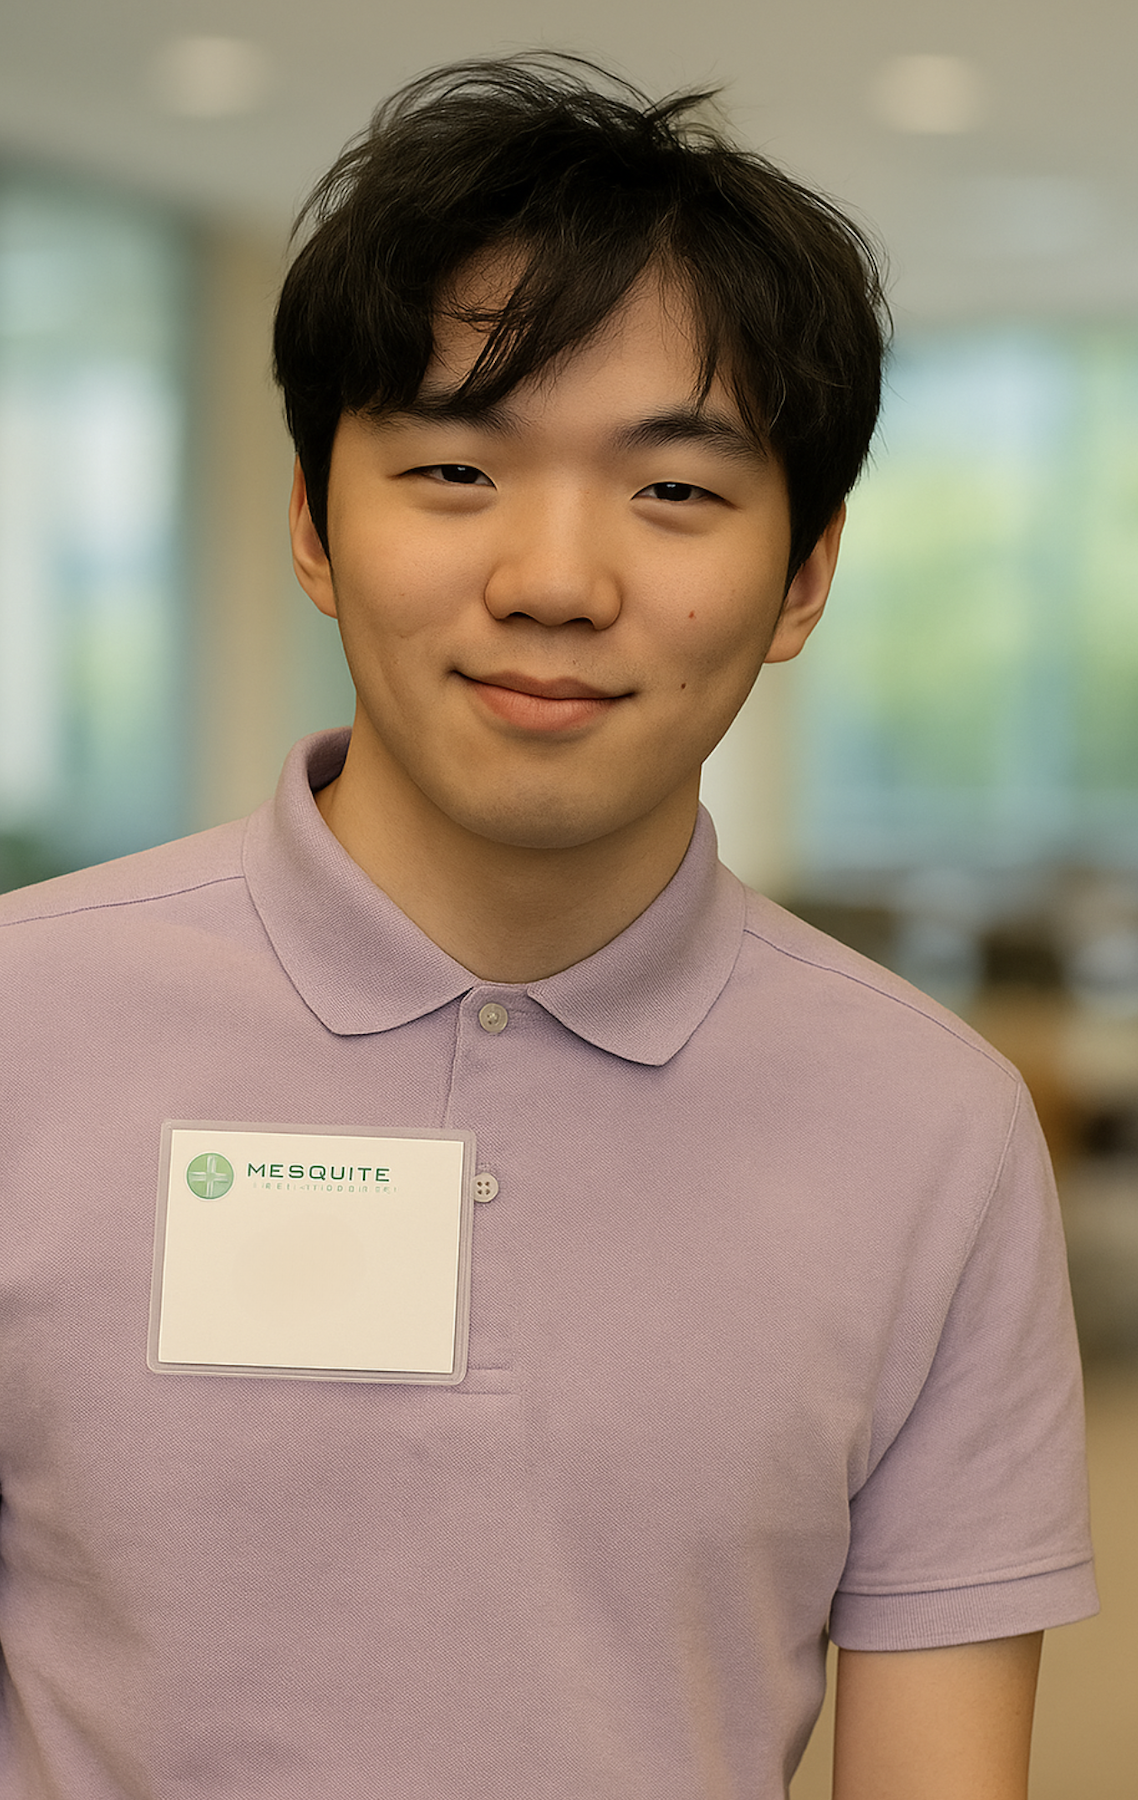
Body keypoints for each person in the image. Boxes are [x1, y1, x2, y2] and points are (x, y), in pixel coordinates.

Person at [0, 54, 1095, 1800]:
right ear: (313, 525)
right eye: (455, 467)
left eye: (674, 491)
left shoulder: (931, 1131)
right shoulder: (25, 1026)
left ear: (804, 575)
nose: (556, 582)